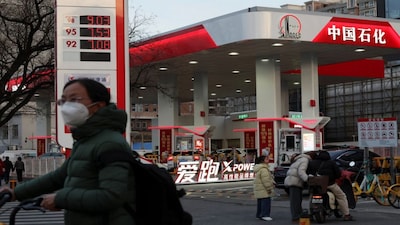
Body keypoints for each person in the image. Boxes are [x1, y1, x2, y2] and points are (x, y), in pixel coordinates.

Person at [0, 78, 135, 225]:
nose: (66, 106)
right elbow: (60, 177)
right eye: (63, 101)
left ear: (97, 106)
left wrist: (60, 199)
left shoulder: (109, 143)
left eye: (74, 99)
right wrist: (17, 193)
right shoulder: (87, 141)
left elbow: (112, 195)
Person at [308, 150, 353, 221]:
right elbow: (338, 174)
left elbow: (308, 173)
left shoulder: (312, 163)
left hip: (316, 185)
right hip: (330, 184)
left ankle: (310, 213)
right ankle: (346, 214)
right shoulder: (331, 163)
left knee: (312, 196)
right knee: (341, 196)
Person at [284, 153, 311, 223]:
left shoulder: (298, 160)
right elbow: (301, 171)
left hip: (292, 181)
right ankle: (296, 217)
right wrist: (307, 179)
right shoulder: (305, 160)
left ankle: (297, 215)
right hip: (295, 182)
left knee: (295, 201)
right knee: (296, 201)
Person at [253, 155, 274, 221]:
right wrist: (269, 188)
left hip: (260, 188)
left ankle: (259, 215)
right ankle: (265, 215)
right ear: (263, 161)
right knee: (266, 202)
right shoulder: (264, 169)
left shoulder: (259, 168)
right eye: (266, 159)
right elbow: (266, 180)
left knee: (260, 202)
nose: (268, 160)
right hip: (264, 189)